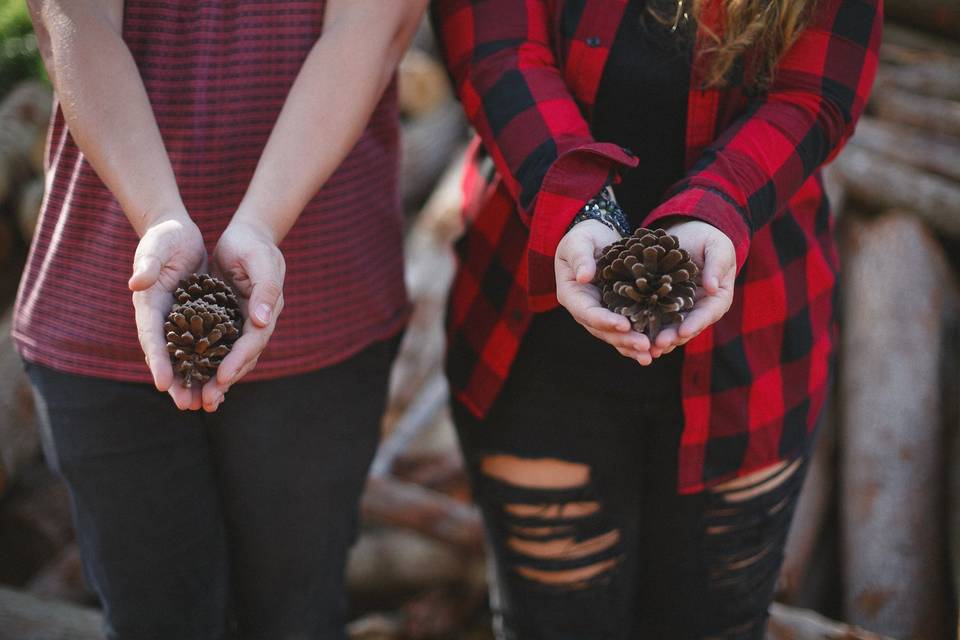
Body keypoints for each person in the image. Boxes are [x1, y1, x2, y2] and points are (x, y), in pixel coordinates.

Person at [431, 0, 881, 637]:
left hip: (754, 348)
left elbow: (816, 93)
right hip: (531, 339)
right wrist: (579, 205)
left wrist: (717, 209)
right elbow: (495, 48)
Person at [15, 1, 426, 638]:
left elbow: (372, 29)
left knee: (297, 618)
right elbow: (69, 18)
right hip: (104, 298)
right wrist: (158, 216)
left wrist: (262, 224)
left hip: (325, 306)